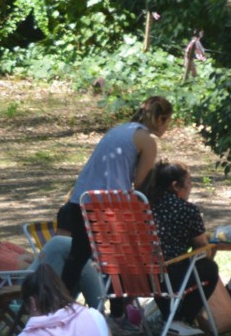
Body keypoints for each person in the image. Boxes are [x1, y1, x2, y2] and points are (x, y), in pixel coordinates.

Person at [59, 96, 173, 315]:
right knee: (129, 259)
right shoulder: (147, 140)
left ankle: (57, 307)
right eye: (167, 122)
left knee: (78, 257)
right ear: (160, 119)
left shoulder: (119, 130)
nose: (167, 128)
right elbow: (140, 182)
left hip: (80, 199)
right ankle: (136, 313)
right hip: (108, 204)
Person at [138, 162, 223, 327]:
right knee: (209, 268)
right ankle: (182, 320)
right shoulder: (186, 210)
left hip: (137, 276)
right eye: (189, 181)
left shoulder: (142, 207)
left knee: (160, 268)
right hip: (168, 277)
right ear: (176, 186)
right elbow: (202, 249)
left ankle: (169, 318)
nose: (191, 186)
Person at [35, 202, 107, 309]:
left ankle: (103, 313)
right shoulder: (61, 240)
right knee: (84, 261)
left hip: (49, 272)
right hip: (30, 283)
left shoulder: (8, 246)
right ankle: (101, 313)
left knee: (83, 263)